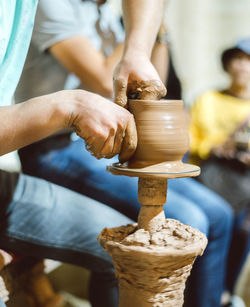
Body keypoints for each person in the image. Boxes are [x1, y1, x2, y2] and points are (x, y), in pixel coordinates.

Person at [14, 1, 234, 307]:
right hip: (55, 147)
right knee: (191, 218)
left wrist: (155, 32)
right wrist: (135, 39)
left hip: (106, 140)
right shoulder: (53, 5)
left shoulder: (104, 12)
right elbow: (106, 80)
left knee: (220, 214)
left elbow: (150, 83)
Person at [0, 1, 166, 307]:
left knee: (125, 250)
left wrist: (137, 49)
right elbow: (102, 78)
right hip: (49, 147)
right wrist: (66, 107)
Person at [190, 38, 250, 305]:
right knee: (211, 225)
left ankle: (225, 291)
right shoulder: (208, 99)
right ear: (228, 64)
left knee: (245, 229)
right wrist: (217, 146)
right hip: (212, 179)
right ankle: (206, 294)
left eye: (248, 60)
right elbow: (192, 141)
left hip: (245, 185)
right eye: (238, 59)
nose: (243, 66)